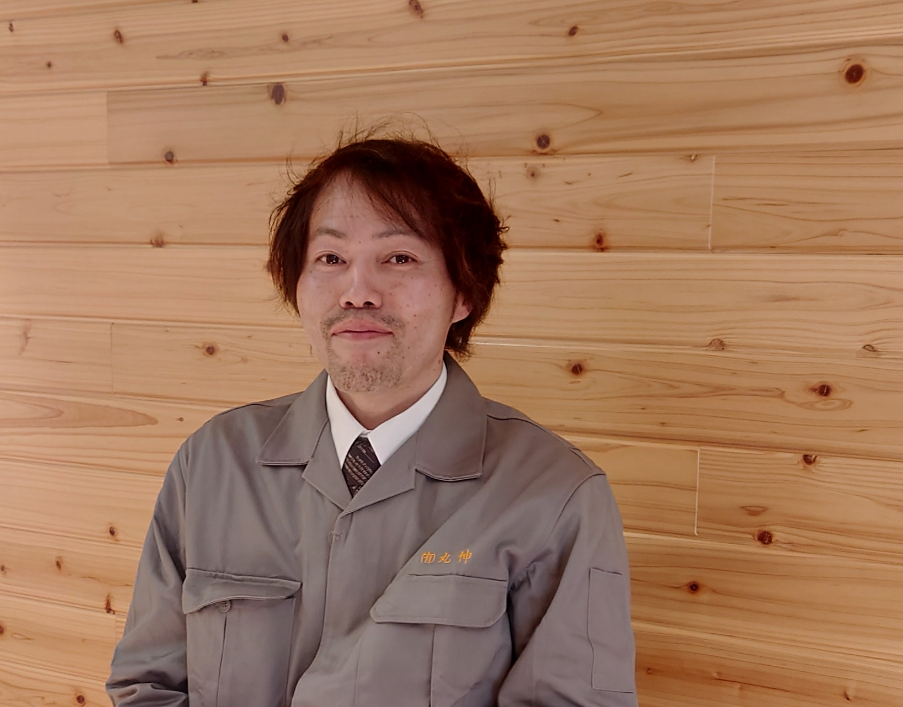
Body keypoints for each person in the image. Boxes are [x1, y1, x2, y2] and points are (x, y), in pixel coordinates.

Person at [107, 137, 638, 707]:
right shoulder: (212, 462)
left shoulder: (555, 495)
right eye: (330, 259)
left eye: (399, 258)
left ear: (464, 291)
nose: (357, 293)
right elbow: (146, 685)